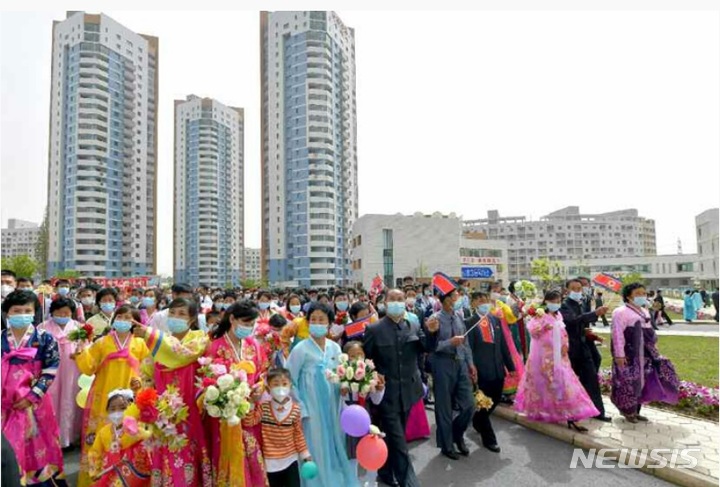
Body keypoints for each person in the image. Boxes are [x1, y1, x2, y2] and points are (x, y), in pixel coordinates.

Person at [133, 298, 212, 486]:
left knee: (187, 449)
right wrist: (145, 394)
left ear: (192, 319)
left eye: (182, 314)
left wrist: (150, 335)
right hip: (162, 409)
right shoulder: (159, 341)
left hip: (189, 408)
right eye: (172, 313)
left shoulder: (199, 339)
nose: (176, 317)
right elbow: (147, 372)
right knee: (164, 449)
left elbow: (181, 354)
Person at [71, 304, 150, 487]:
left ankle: (130, 478)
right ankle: (97, 477)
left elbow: (148, 370)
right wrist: (81, 353)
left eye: (127, 318)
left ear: (134, 321)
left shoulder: (140, 343)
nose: (122, 321)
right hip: (104, 396)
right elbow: (89, 368)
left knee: (129, 436)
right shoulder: (102, 342)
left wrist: (141, 382)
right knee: (101, 436)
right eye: (120, 317)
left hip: (131, 397)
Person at [364, 288, 433, 487]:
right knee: (400, 442)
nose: (397, 302)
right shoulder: (374, 330)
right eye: (393, 299)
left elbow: (427, 347)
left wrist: (431, 332)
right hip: (386, 395)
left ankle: (385, 472)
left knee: (396, 437)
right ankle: (409, 482)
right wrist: (373, 379)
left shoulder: (413, 325)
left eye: (400, 299)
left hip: (409, 393)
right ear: (384, 303)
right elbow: (367, 361)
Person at [286, 301, 358, 487]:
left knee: (335, 442)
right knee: (315, 445)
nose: (317, 323)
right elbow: (289, 380)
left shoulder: (334, 348)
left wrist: (344, 387)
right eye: (314, 319)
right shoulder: (300, 349)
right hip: (311, 407)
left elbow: (341, 374)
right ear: (308, 322)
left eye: (322, 319)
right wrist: (301, 406)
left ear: (329, 323)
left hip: (333, 405)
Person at [1, 290, 68, 486]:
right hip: (5, 404)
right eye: (16, 310)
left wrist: (31, 396)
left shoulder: (46, 339)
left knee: (39, 445)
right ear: (7, 313)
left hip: (36, 405)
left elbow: (50, 370)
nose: (22, 314)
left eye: (27, 310)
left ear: (34, 313)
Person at [203, 300, 268, 487]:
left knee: (252, 455)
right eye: (245, 323)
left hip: (250, 412)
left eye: (251, 324)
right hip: (225, 415)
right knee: (228, 455)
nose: (248, 328)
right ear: (232, 319)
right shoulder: (215, 346)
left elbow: (262, 371)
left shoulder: (253, 345)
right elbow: (207, 379)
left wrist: (260, 386)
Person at [515, 290, 600, 432]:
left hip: (561, 357)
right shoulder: (540, 314)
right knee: (546, 386)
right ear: (546, 301)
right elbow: (532, 331)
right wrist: (543, 327)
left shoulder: (559, 315)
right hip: (545, 358)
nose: (556, 304)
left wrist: (565, 346)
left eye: (558, 301)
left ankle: (572, 416)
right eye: (553, 301)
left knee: (567, 384)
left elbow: (563, 332)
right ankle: (549, 411)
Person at [611, 283, 680, 423]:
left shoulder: (645, 311)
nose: (642, 296)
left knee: (643, 381)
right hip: (629, 354)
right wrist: (619, 354)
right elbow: (617, 334)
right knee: (629, 382)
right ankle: (628, 411)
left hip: (647, 354)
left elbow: (649, 333)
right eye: (638, 293)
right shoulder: (620, 312)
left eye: (644, 293)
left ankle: (637, 411)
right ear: (628, 296)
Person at [426, 274, 475, 461]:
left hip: (461, 363)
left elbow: (466, 344)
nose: (459, 298)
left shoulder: (459, 318)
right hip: (442, 364)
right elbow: (431, 347)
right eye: (456, 296)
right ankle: (447, 445)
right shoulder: (435, 319)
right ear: (446, 299)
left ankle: (457, 434)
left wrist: (470, 364)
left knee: (469, 405)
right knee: (444, 408)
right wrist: (449, 343)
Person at [243, 368, 312, 487]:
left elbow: (298, 434)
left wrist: (305, 455)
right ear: (268, 389)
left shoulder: (295, 409)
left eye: (284, 384)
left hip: (290, 459)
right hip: (270, 461)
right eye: (275, 384)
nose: (280, 387)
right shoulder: (264, 408)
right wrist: (252, 403)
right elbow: (249, 422)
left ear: (290, 386)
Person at [465, 292, 515, 452]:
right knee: (483, 405)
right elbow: (468, 349)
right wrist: (471, 368)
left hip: (498, 369)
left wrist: (511, 367)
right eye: (480, 301)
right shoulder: (469, 323)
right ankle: (489, 439)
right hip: (481, 372)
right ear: (473, 304)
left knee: (493, 401)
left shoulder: (495, 320)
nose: (484, 303)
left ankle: (477, 420)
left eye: (486, 300)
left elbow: (503, 346)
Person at [560, 279, 611, 422]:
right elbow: (572, 321)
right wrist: (594, 313)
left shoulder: (580, 305)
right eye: (574, 289)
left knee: (591, 378)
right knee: (568, 382)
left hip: (583, 348)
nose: (577, 291)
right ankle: (568, 410)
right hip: (569, 350)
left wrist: (590, 334)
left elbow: (580, 325)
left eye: (579, 289)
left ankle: (597, 412)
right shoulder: (563, 306)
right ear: (567, 291)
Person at [340, 341, 386, 485]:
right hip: (349, 421)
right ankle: (352, 483)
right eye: (352, 356)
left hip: (366, 419)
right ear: (345, 358)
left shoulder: (370, 374)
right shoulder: (341, 376)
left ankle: (372, 482)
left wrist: (379, 389)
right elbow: (338, 402)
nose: (357, 359)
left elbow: (377, 401)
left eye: (360, 354)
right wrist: (342, 393)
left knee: (370, 452)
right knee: (351, 455)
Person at [40, 297, 82, 449]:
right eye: (59, 312)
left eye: (66, 312)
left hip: (72, 370)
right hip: (51, 371)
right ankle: (50, 438)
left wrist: (81, 352)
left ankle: (69, 437)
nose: (63, 315)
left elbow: (86, 348)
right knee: (51, 399)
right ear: (52, 313)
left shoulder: (78, 328)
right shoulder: (43, 327)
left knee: (70, 399)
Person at [87, 389, 152, 485]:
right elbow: (95, 452)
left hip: (133, 475)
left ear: (129, 409)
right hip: (109, 473)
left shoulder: (137, 428)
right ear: (107, 411)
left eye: (122, 408)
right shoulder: (103, 432)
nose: (117, 412)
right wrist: (95, 471)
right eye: (112, 409)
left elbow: (147, 448)